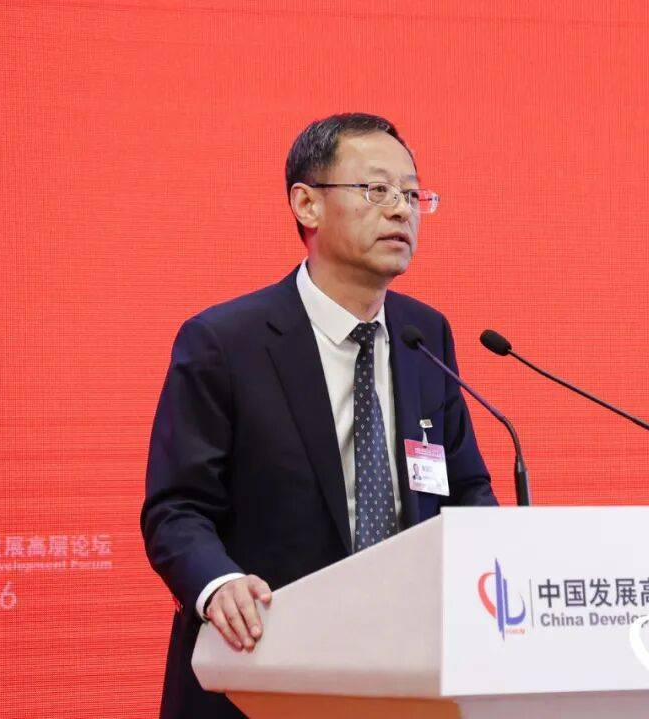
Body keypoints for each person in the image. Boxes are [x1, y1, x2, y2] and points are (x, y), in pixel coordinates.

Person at [141, 112, 498, 718]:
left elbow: (465, 489)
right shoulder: (225, 342)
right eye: (376, 189)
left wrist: (499, 569)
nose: (401, 210)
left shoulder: (425, 335)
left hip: (407, 671)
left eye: (413, 194)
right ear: (306, 204)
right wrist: (219, 584)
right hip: (264, 671)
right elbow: (176, 509)